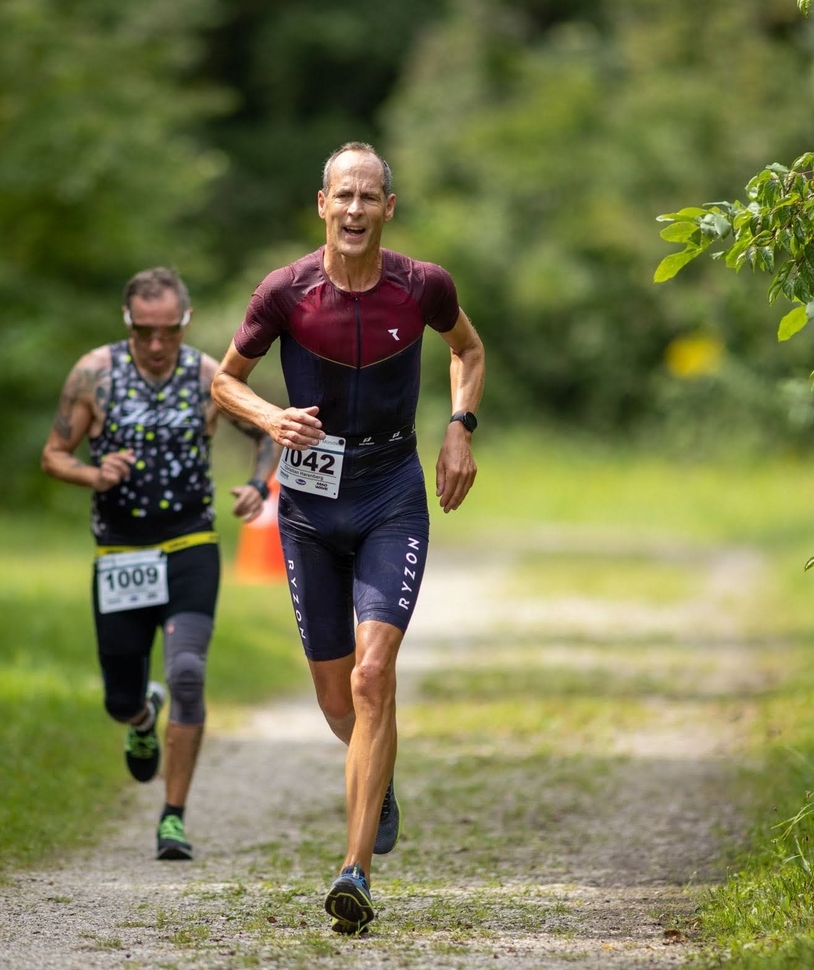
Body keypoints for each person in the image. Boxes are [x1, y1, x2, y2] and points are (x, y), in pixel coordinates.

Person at [211, 142, 485, 933]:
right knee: (340, 701)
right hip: (307, 504)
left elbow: (468, 348)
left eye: (371, 196)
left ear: (388, 208)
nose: (357, 209)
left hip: (390, 493)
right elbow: (226, 378)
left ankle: (354, 871)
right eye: (344, 196)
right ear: (322, 204)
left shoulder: (422, 285)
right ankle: (380, 771)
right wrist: (268, 416)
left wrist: (460, 427)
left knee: (373, 677)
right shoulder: (285, 292)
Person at [41, 267, 278, 861]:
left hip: (190, 546)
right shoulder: (94, 373)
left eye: (168, 331)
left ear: (185, 323)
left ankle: (173, 817)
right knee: (119, 700)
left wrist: (257, 487)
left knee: (190, 673)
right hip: (121, 552)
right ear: (129, 323)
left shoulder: (207, 376)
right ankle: (142, 716)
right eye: (145, 331)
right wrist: (94, 474)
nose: (155, 344)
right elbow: (53, 455)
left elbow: (268, 431)